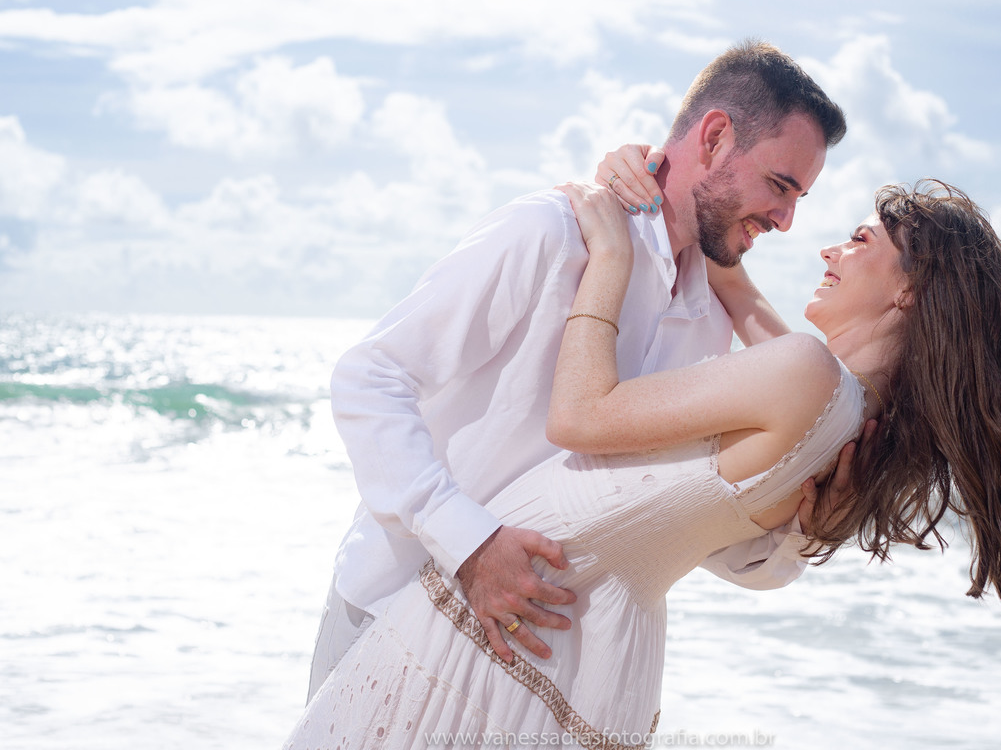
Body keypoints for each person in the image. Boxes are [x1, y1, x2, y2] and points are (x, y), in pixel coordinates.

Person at [286, 179, 1001, 748]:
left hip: (502, 642)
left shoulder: (810, 383)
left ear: (910, 289)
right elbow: (744, 533)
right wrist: (689, 216)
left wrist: (612, 263)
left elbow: (578, 416)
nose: (824, 246)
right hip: (568, 651)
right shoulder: (850, 420)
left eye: (858, 239)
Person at [307, 39, 850, 700]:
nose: (788, 221)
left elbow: (663, 507)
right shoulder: (550, 232)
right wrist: (472, 545)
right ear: (714, 138)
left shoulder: (709, 320)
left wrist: (798, 526)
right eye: (780, 186)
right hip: (390, 615)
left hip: (519, 670)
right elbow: (369, 378)